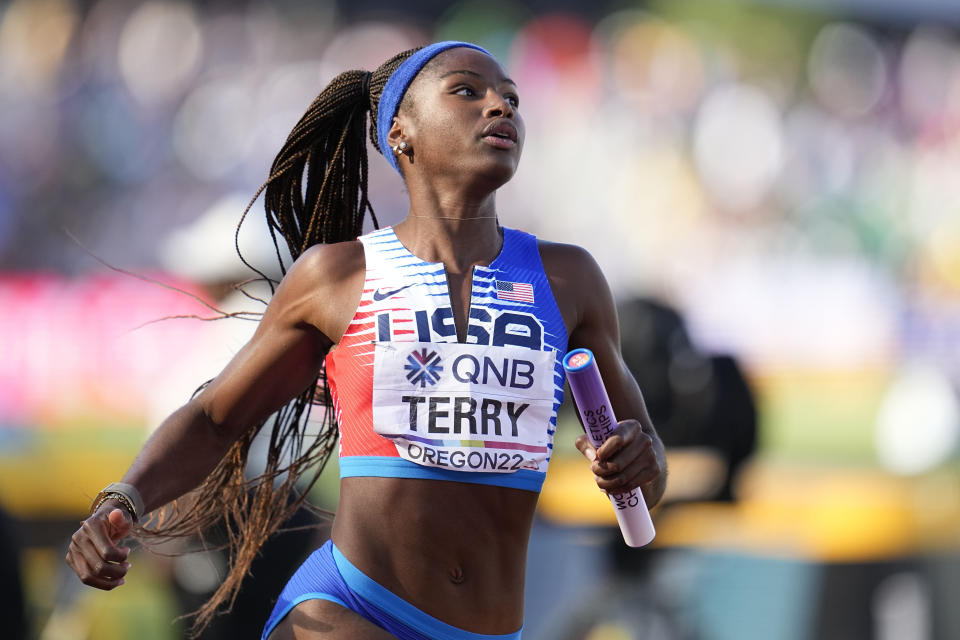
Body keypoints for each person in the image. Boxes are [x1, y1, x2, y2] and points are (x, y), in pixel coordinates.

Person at [65, 41, 667, 640]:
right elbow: (216, 418)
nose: (500, 106)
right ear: (400, 133)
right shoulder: (336, 277)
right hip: (351, 608)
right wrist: (123, 501)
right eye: (468, 91)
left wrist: (637, 458)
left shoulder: (570, 279)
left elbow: (650, 475)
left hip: (492, 629)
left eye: (511, 97)